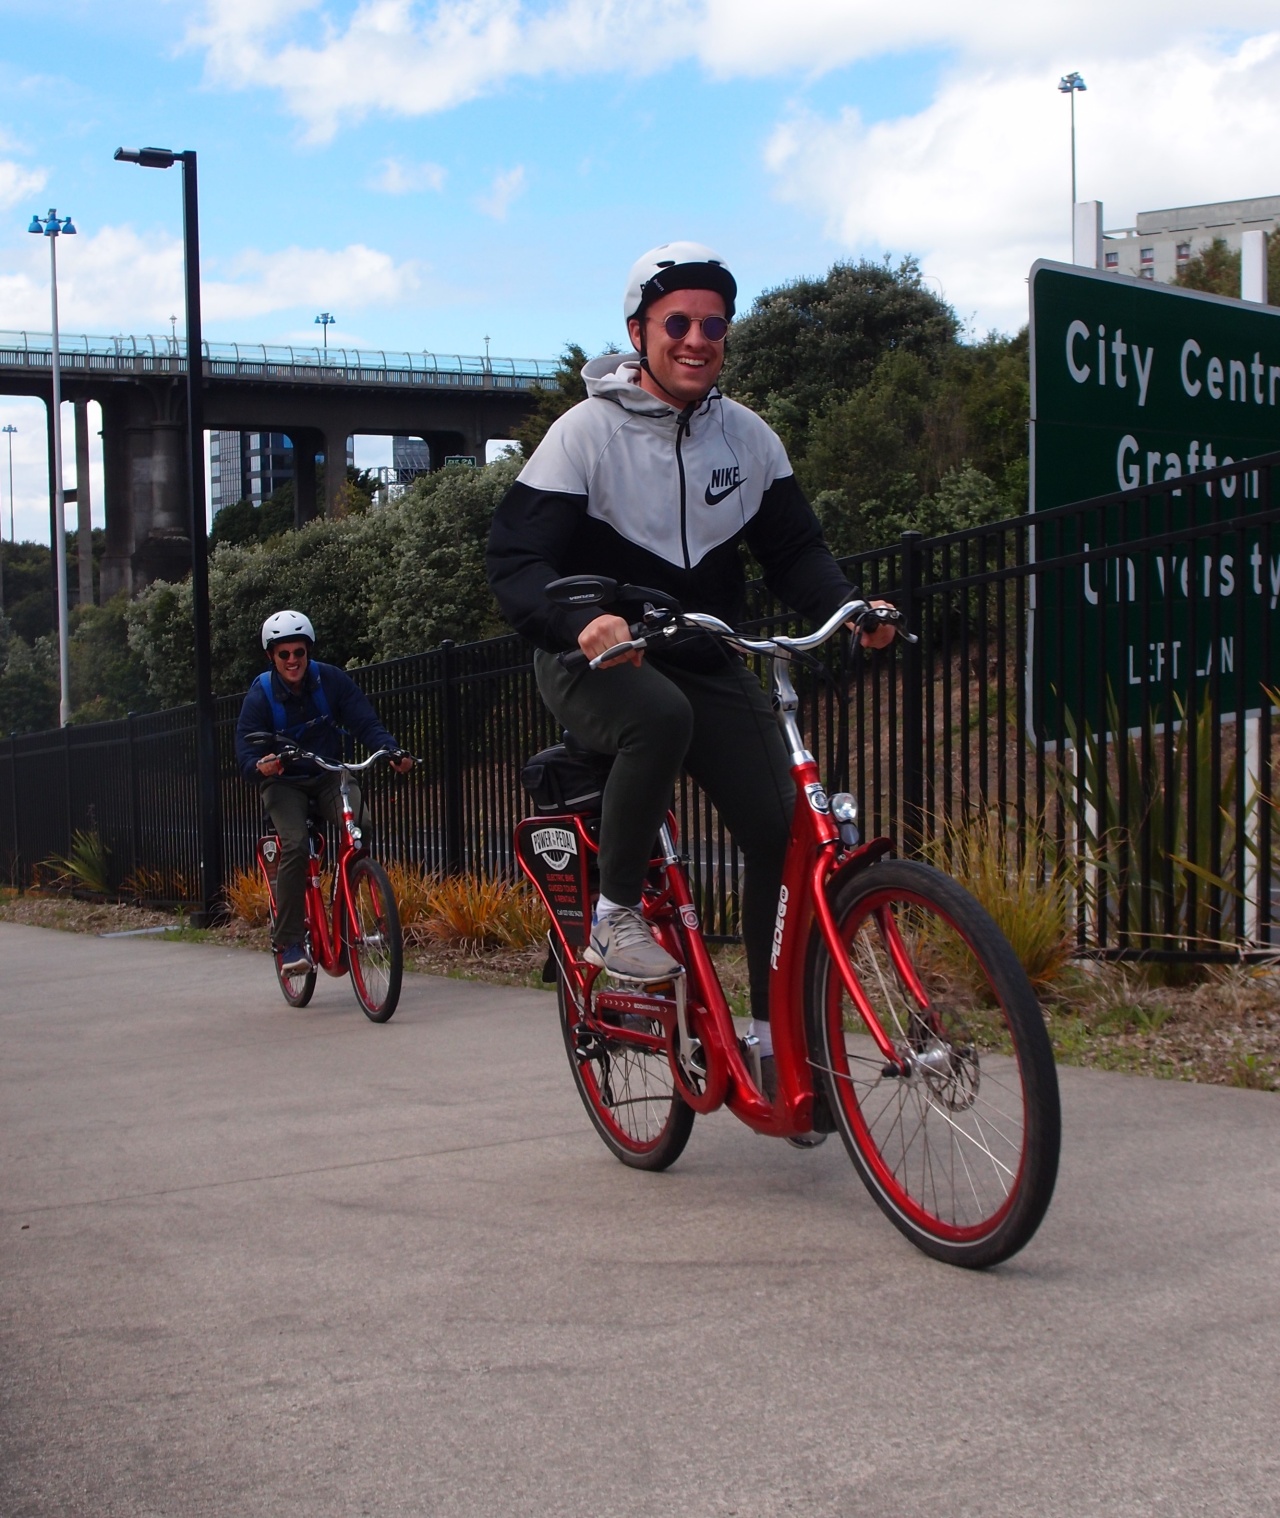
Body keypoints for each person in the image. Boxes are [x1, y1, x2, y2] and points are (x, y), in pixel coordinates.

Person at [486, 241, 894, 1083]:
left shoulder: (746, 438)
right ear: (640, 330)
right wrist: (582, 617)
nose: (698, 339)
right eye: (679, 322)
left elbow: (795, 552)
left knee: (786, 839)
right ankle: (616, 914)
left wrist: (850, 608)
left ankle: (781, 1042)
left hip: (701, 651)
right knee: (657, 717)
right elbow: (516, 561)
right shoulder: (584, 434)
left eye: (714, 324)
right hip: (596, 659)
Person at [235, 610, 413, 974]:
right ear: (272, 656)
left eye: (299, 652)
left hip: (329, 773)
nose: (292, 661)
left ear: (308, 651)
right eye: (284, 654)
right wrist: (260, 765)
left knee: (358, 829)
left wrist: (392, 750)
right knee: (297, 845)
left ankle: (345, 916)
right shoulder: (261, 696)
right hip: (284, 782)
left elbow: (365, 722)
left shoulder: (331, 681)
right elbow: (244, 753)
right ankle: (289, 942)